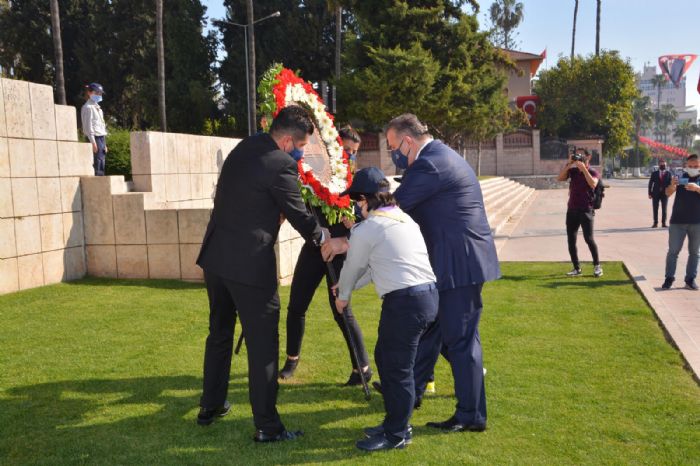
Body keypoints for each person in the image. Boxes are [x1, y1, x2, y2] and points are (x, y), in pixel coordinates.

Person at [196, 105, 326, 443]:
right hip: (250, 266)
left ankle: (210, 405)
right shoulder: (282, 164)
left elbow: (246, 200)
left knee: (220, 333)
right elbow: (298, 214)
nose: (300, 153)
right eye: (299, 146)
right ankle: (267, 426)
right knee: (264, 344)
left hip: (216, 258)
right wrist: (323, 236)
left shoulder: (245, 146)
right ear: (286, 142)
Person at [334, 167, 438, 451]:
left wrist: (342, 296)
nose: (356, 207)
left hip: (406, 303)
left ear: (366, 200)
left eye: (357, 201)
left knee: (397, 369)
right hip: (425, 297)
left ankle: (397, 434)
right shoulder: (402, 219)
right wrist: (349, 288)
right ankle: (394, 422)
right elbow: (377, 266)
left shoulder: (369, 228)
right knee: (388, 359)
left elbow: (354, 266)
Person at [279, 126, 372, 386]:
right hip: (313, 248)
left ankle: (361, 367)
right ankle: (292, 359)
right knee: (297, 305)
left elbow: (363, 211)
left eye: (354, 152)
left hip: (339, 250)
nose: (349, 155)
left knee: (341, 308)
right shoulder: (311, 172)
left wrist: (350, 215)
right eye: (346, 149)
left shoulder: (352, 180)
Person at [557, 148, 603, 278]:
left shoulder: (593, 171)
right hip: (572, 209)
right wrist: (568, 164)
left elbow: (593, 184)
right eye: (578, 154)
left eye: (582, 155)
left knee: (589, 239)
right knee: (571, 240)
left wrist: (584, 169)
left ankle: (597, 266)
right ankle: (577, 268)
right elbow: (559, 178)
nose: (580, 157)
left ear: (588, 157)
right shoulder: (572, 171)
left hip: (586, 210)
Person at [662, 154, 700, 290]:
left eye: (696, 166)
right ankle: (669, 278)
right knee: (673, 251)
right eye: (690, 166)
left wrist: (697, 188)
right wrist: (672, 185)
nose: (693, 168)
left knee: (695, 252)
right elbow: (667, 193)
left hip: (697, 221)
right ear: (686, 165)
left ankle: (690, 279)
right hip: (677, 221)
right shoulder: (680, 176)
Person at [80, 83, 108, 176]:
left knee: (102, 160)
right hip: (94, 137)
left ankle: (101, 178)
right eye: (97, 93)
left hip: (101, 137)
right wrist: (93, 142)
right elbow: (88, 127)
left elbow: (102, 126)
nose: (99, 95)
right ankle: (98, 182)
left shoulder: (98, 108)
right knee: (97, 161)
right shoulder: (87, 107)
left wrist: (104, 143)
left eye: (100, 93)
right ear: (89, 93)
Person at [649, 160, 672, 228]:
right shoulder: (654, 173)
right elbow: (650, 183)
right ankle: (655, 223)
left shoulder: (668, 173)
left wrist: (669, 192)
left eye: (664, 165)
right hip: (655, 193)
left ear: (666, 165)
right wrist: (649, 193)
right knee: (655, 208)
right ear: (659, 165)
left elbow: (670, 184)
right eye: (661, 165)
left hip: (665, 194)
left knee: (664, 209)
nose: (663, 166)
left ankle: (663, 223)